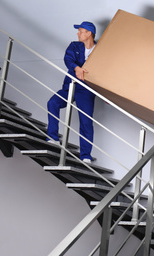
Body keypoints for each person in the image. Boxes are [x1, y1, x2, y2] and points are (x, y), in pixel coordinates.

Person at [47, 21, 97, 163]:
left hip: (86, 90)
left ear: (89, 33)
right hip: (70, 86)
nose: (78, 33)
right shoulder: (74, 45)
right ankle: (53, 137)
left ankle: (85, 155)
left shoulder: (100, 50)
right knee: (53, 103)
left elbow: (107, 71)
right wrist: (77, 68)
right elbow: (68, 59)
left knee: (86, 121)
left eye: (80, 31)